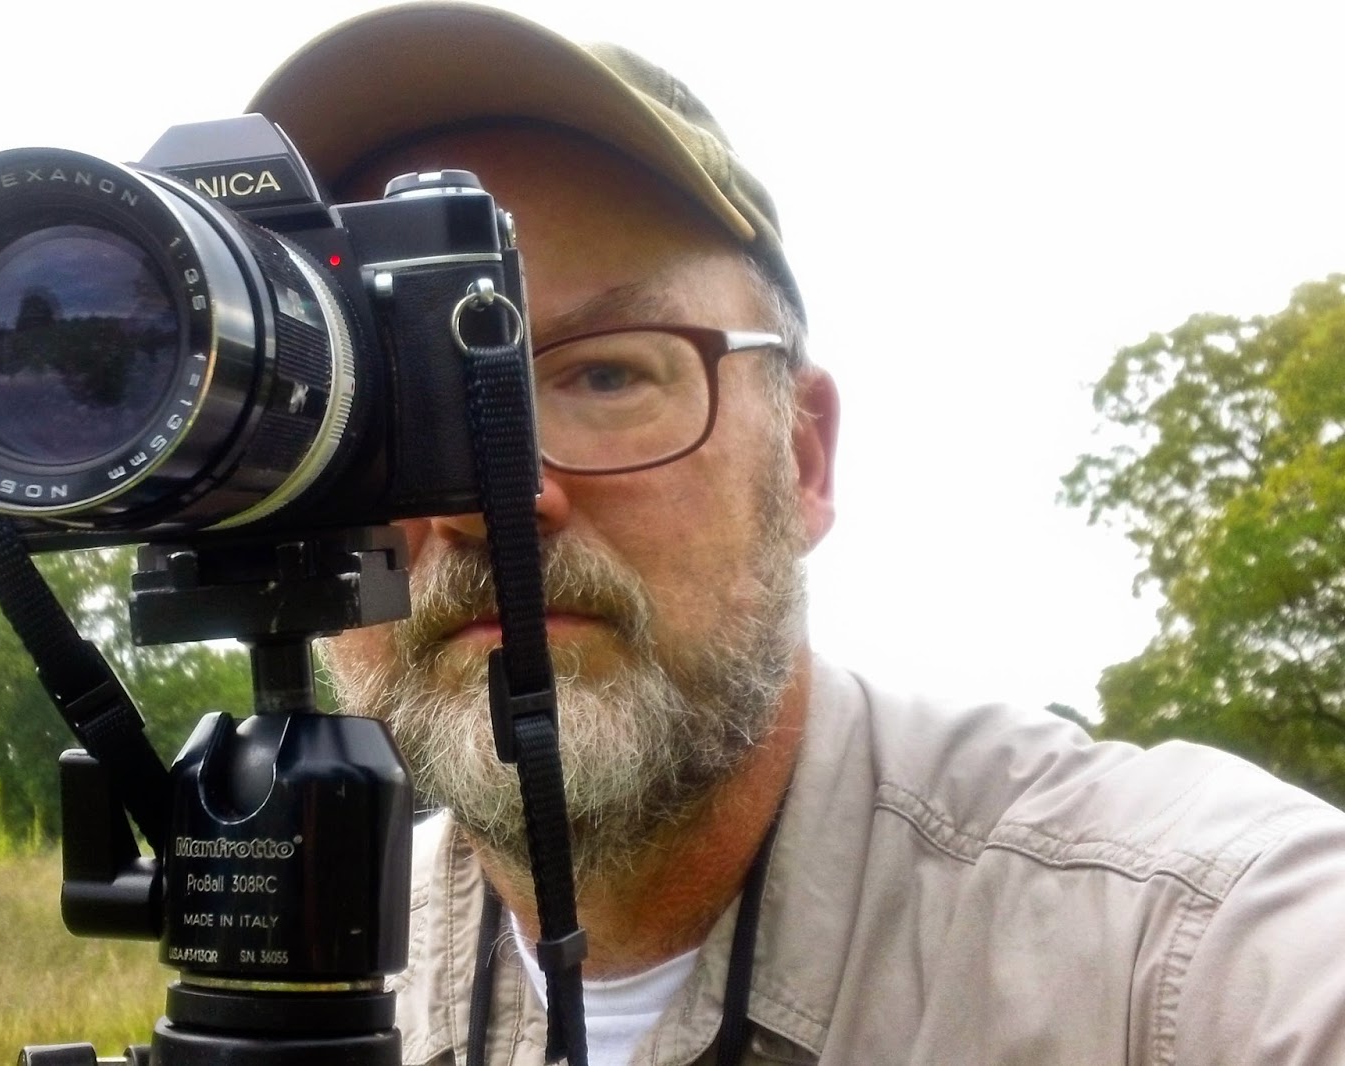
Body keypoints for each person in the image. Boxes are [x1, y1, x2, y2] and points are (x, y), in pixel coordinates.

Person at [248, 5, 1345, 1064]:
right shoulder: (282, 962)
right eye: (389, 407)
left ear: (802, 456)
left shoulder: (1180, 948)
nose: (484, 500)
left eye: (606, 374)